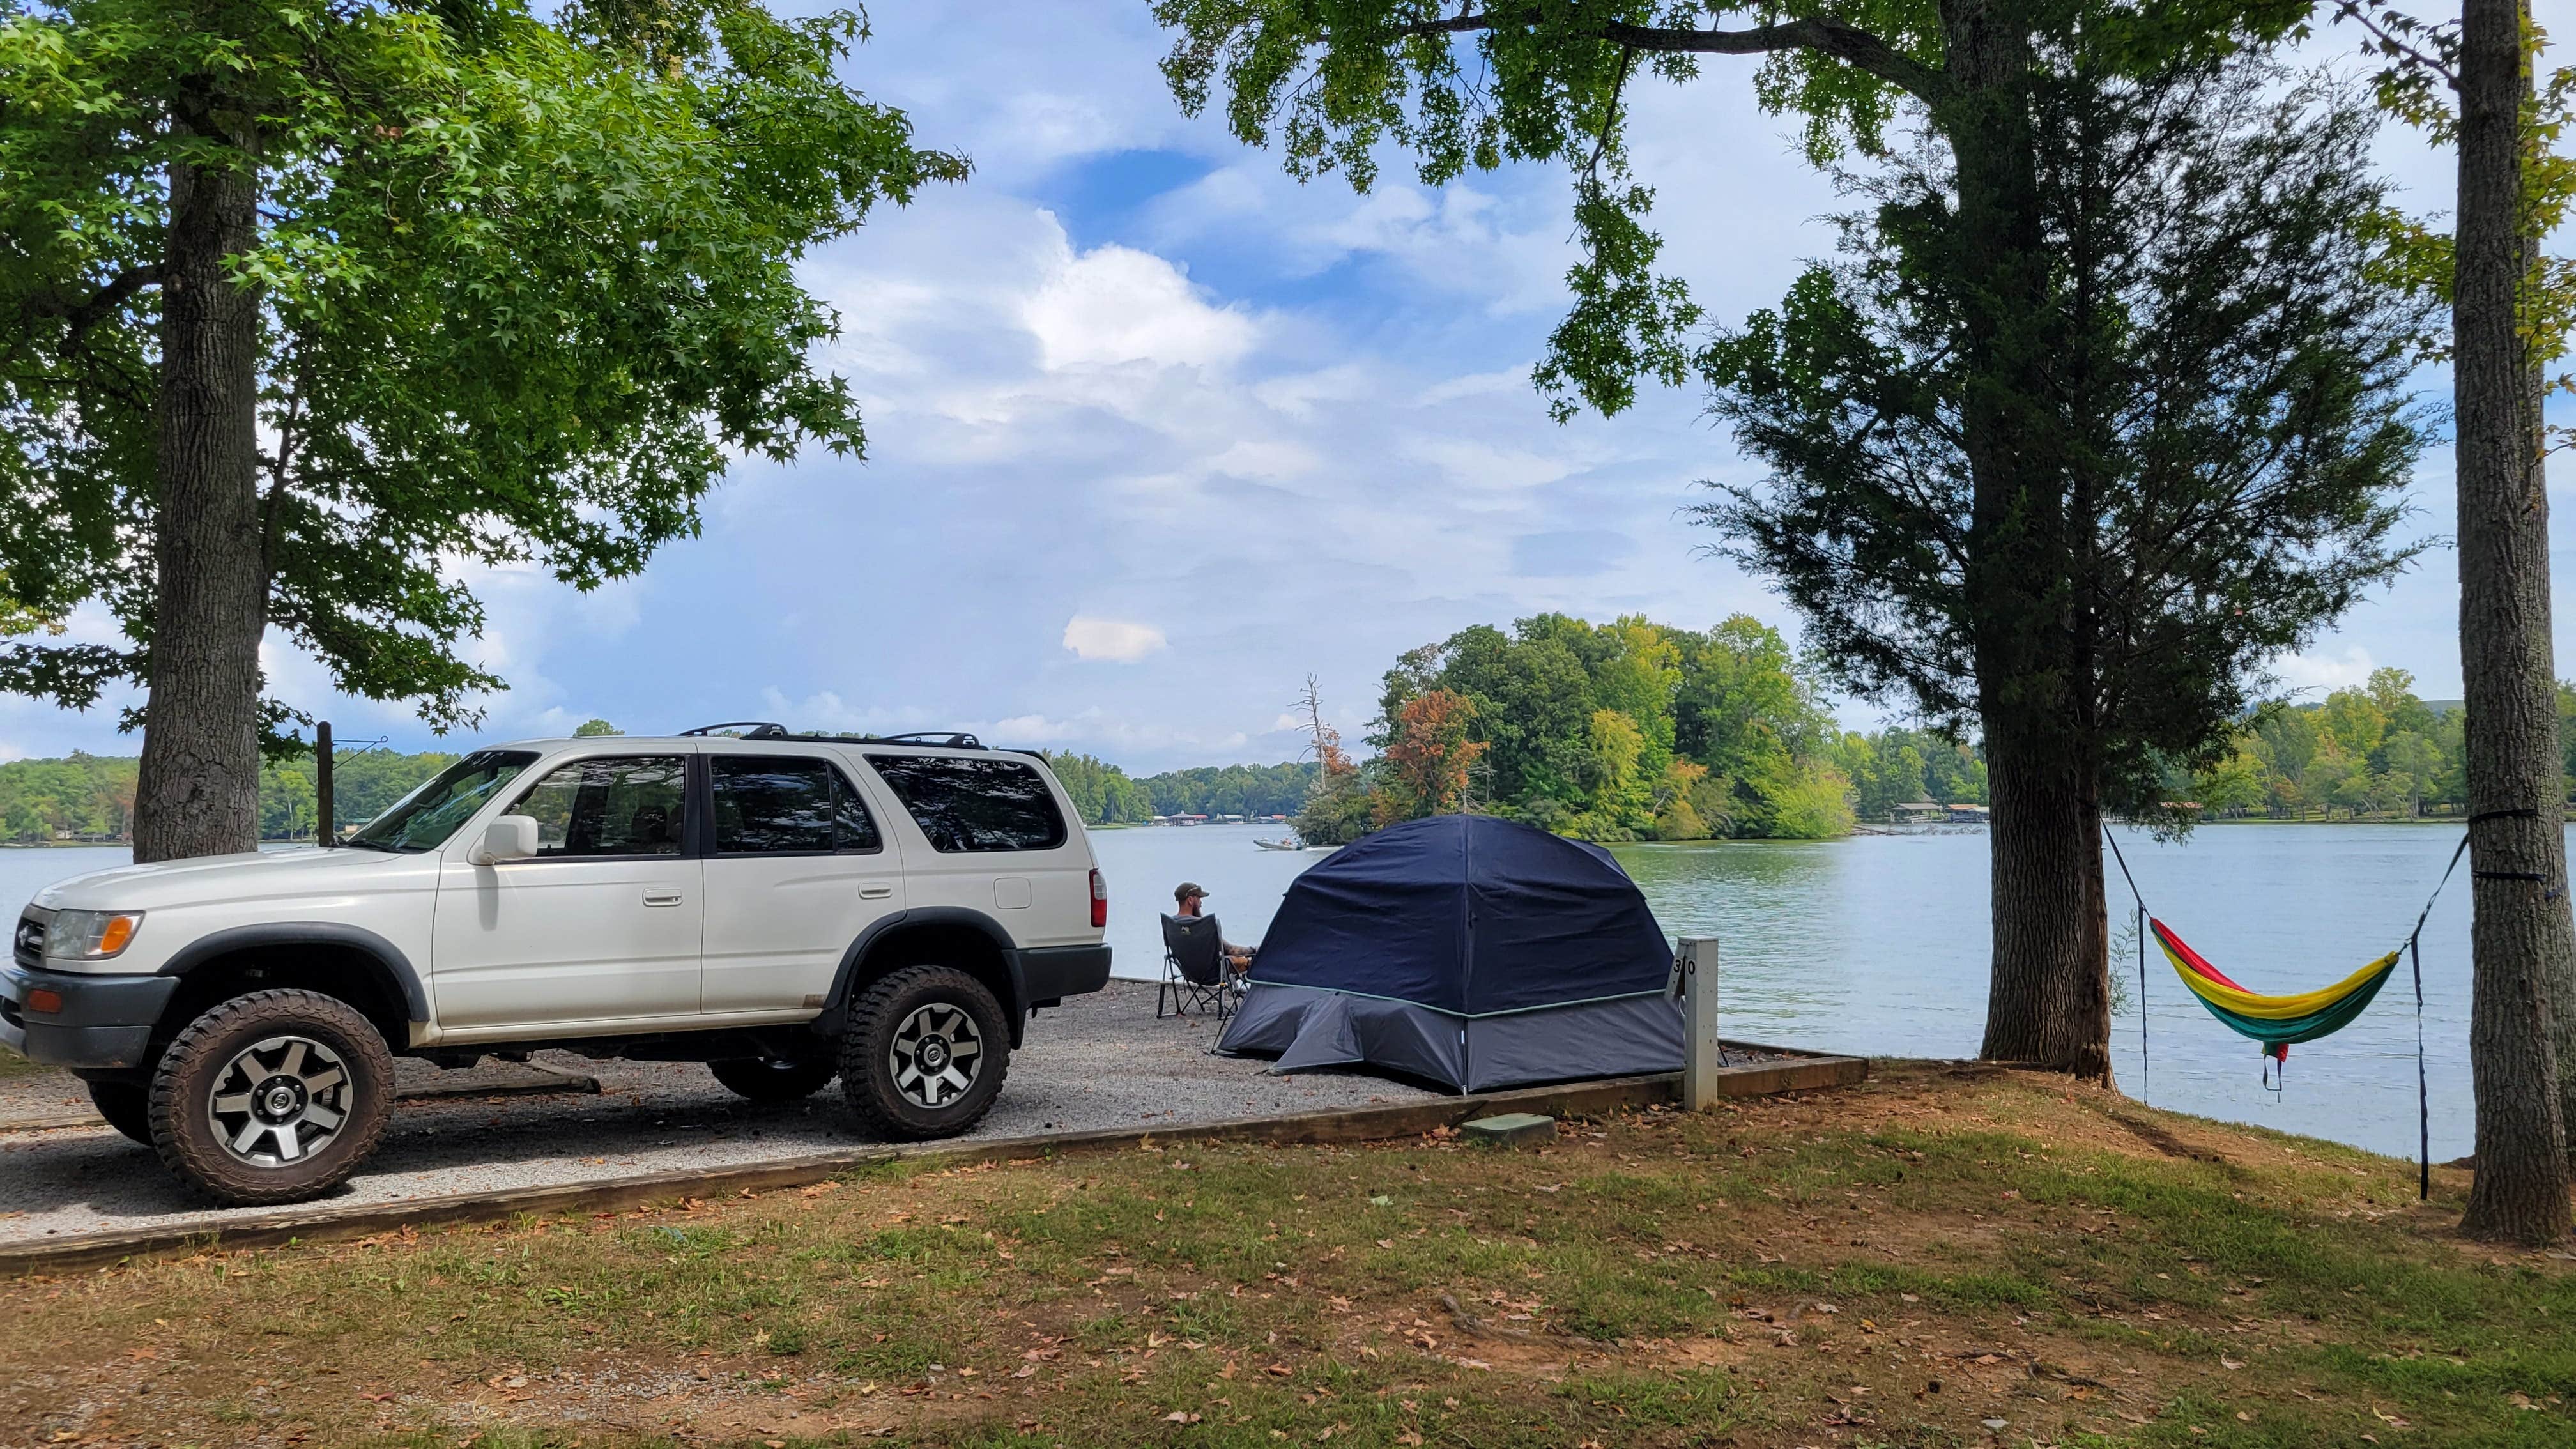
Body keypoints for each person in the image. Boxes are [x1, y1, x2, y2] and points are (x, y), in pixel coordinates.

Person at [1173, 882, 1255, 974]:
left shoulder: (1172, 925)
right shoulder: (1202, 926)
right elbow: (1229, 950)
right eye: (1199, 898)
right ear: (1190, 900)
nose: (1201, 903)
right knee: (1248, 962)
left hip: (1189, 973)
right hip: (1212, 973)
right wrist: (1253, 950)